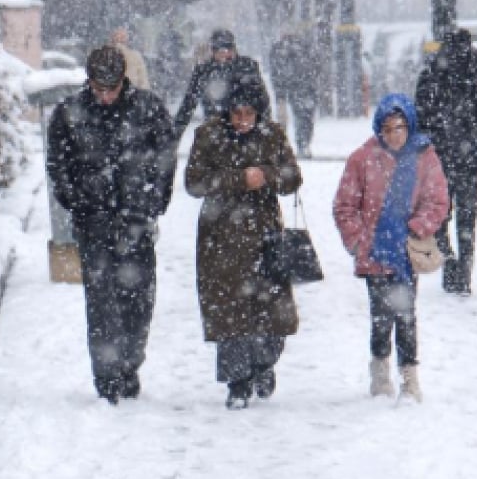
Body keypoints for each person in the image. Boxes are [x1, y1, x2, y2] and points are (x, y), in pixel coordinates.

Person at [46, 46, 177, 405]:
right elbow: (58, 163)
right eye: (98, 89)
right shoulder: (69, 113)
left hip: (136, 218)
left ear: (123, 81)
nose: (105, 97)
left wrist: (153, 201)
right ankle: (106, 376)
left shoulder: (148, 110)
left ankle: (130, 363)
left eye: (111, 89)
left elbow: (166, 158)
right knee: (101, 302)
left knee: (138, 300)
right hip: (94, 221)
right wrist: (75, 199)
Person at [184, 79, 302, 410]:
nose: (242, 120)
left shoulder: (272, 134)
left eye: (249, 113)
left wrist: (267, 174)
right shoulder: (208, 135)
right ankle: (237, 383)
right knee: (229, 314)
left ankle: (263, 365)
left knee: (271, 314)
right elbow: (193, 182)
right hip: (221, 238)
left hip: (265, 235)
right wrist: (238, 179)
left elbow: (293, 177)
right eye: (236, 113)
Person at [332, 93, 449, 402]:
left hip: (405, 252)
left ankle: (409, 378)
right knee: (380, 315)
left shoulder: (425, 156)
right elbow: (345, 206)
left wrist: (415, 229)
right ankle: (380, 371)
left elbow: (437, 201)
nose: (395, 135)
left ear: (409, 125)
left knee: (407, 314)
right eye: (388, 128)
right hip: (375, 252)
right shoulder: (362, 159)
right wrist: (359, 242)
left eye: (400, 127)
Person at [414, 27, 477, 295]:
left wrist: (433, 143)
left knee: (440, 214)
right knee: (467, 217)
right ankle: (464, 270)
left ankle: (449, 260)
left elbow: (420, 118)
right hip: (470, 161)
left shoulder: (431, 76)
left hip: (440, 160)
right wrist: (475, 144)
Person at [173, 28, 270, 140]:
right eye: (220, 50)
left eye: (229, 49)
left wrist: (264, 127)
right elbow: (188, 104)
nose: (225, 54)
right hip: (216, 131)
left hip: (246, 128)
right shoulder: (204, 71)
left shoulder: (247, 66)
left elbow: (262, 100)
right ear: (213, 52)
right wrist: (175, 136)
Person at [267, 28, 322, 158]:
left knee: (292, 119)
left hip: (297, 88)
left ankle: (288, 147)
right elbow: (316, 67)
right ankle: (302, 145)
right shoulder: (306, 47)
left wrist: (279, 94)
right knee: (304, 119)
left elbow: (275, 73)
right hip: (304, 88)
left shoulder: (279, 49)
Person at [108, 26, 151, 91]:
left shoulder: (104, 56)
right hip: (131, 94)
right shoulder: (136, 56)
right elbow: (144, 84)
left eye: (122, 37)